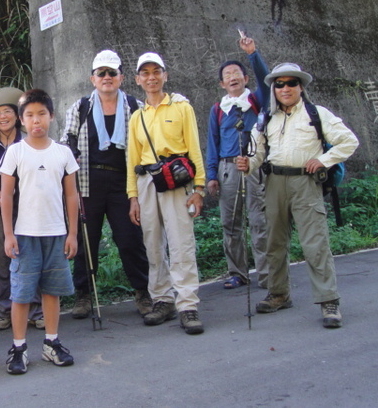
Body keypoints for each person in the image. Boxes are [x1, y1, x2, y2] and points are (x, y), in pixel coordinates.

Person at [236, 62, 359, 328]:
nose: (285, 88)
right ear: (274, 89)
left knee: (315, 243)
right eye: (279, 84)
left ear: (300, 86)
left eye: (291, 83)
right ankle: (279, 294)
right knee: (274, 243)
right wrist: (248, 163)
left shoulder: (317, 113)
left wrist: (325, 160)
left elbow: (349, 141)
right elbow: (257, 153)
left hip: (306, 183)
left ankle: (329, 301)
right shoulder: (267, 117)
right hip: (273, 182)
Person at [60, 50, 151, 319]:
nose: (107, 77)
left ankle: (142, 292)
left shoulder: (135, 107)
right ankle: (84, 294)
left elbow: (146, 144)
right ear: (93, 78)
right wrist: (69, 157)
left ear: (121, 77)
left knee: (130, 239)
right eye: (102, 73)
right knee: (87, 240)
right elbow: (67, 140)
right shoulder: (81, 107)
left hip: (125, 181)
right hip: (88, 181)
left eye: (112, 72)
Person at [0, 89, 78, 374]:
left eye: (41, 114)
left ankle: (51, 343)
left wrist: (72, 234)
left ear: (51, 116)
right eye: (30, 115)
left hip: (56, 234)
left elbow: (71, 196)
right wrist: (9, 234)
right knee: (20, 294)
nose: (36, 121)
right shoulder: (15, 152)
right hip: (24, 236)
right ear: (21, 120)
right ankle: (18, 347)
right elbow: (6, 196)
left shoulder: (63, 153)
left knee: (52, 292)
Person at [127, 53, 206, 334]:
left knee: (181, 241)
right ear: (138, 79)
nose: (151, 77)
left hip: (176, 180)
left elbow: (194, 148)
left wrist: (199, 188)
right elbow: (132, 159)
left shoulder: (182, 107)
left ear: (165, 75)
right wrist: (133, 197)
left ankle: (188, 304)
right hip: (147, 182)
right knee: (152, 243)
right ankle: (162, 299)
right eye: (145, 73)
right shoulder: (137, 116)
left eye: (156, 72)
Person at [0, 87, 44, 331]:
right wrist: (0, 196)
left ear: (17, 116)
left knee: (30, 259)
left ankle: (35, 311)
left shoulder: (28, 142)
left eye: (7, 111)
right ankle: (5, 311)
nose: (2, 116)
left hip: (27, 210)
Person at [206, 36, 270, 290]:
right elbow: (213, 143)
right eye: (227, 74)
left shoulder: (256, 100)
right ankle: (237, 272)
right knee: (230, 223)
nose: (232, 77)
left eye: (237, 73)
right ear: (222, 83)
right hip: (228, 168)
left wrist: (252, 53)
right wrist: (212, 175)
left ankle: (266, 273)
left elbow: (267, 81)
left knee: (259, 220)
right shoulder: (218, 109)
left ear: (245, 79)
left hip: (254, 166)